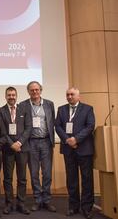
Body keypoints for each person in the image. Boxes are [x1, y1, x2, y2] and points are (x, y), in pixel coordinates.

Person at [55, 87, 95, 219]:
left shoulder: (88, 109)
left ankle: (87, 207)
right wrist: (67, 140)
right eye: (67, 94)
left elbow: (90, 126)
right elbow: (58, 126)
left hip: (84, 149)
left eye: (72, 94)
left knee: (87, 179)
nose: (69, 96)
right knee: (71, 179)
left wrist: (76, 139)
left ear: (79, 96)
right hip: (68, 149)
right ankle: (73, 207)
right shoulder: (61, 109)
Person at [19, 81, 56, 212]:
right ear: (28, 91)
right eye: (32, 90)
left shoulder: (49, 104)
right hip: (31, 142)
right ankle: (37, 199)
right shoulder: (23, 105)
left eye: (37, 90)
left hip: (46, 141)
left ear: (41, 90)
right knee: (34, 173)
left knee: (47, 173)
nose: (35, 92)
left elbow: (52, 123)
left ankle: (46, 200)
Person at [0, 87, 31, 215]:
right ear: (5, 96)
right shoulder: (0, 111)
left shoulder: (24, 109)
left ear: (16, 96)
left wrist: (19, 142)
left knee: (22, 178)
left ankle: (21, 203)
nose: (11, 97)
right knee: (8, 178)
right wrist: (12, 144)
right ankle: (9, 203)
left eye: (13, 95)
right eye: (9, 95)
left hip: (22, 148)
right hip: (8, 149)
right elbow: (2, 131)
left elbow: (28, 128)